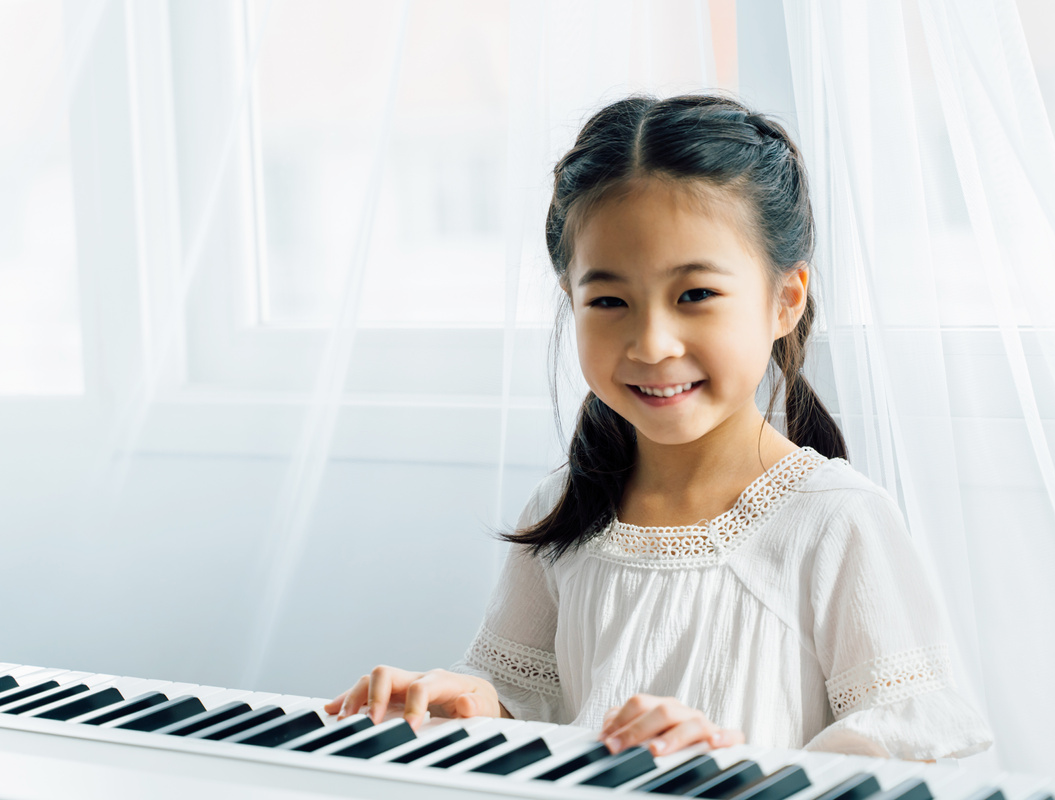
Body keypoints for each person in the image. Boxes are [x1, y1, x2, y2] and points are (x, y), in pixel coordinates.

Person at [326, 94, 993, 762]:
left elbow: (915, 742)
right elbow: (526, 701)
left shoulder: (837, 521)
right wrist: (473, 701)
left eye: (694, 295)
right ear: (572, 302)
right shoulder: (566, 511)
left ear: (785, 300)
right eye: (609, 300)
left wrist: (737, 762)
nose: (650, 344)